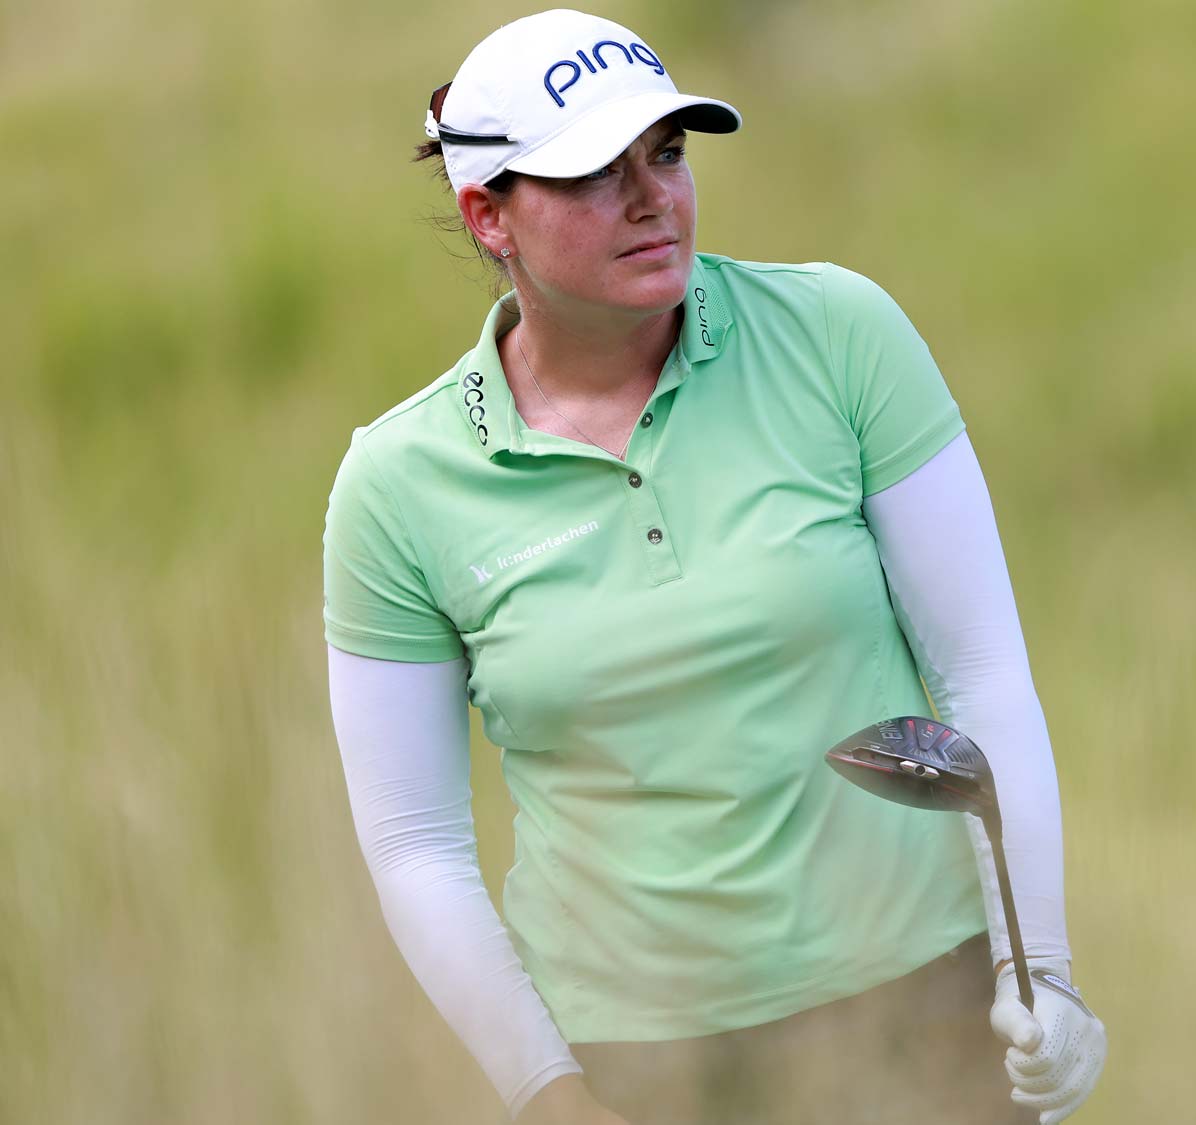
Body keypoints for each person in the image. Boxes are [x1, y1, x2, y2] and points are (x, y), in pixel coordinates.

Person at [320, 8, 1107, 1125]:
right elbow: (417, 845)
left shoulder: (837, 334)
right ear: (486, 214)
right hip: (639, 1068)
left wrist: (1048, 980)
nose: (652, 197)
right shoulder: (398, 486)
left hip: (923, 1020)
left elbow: (982, 678)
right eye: (594, 172)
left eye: (668, 153)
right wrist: (546, 1095)